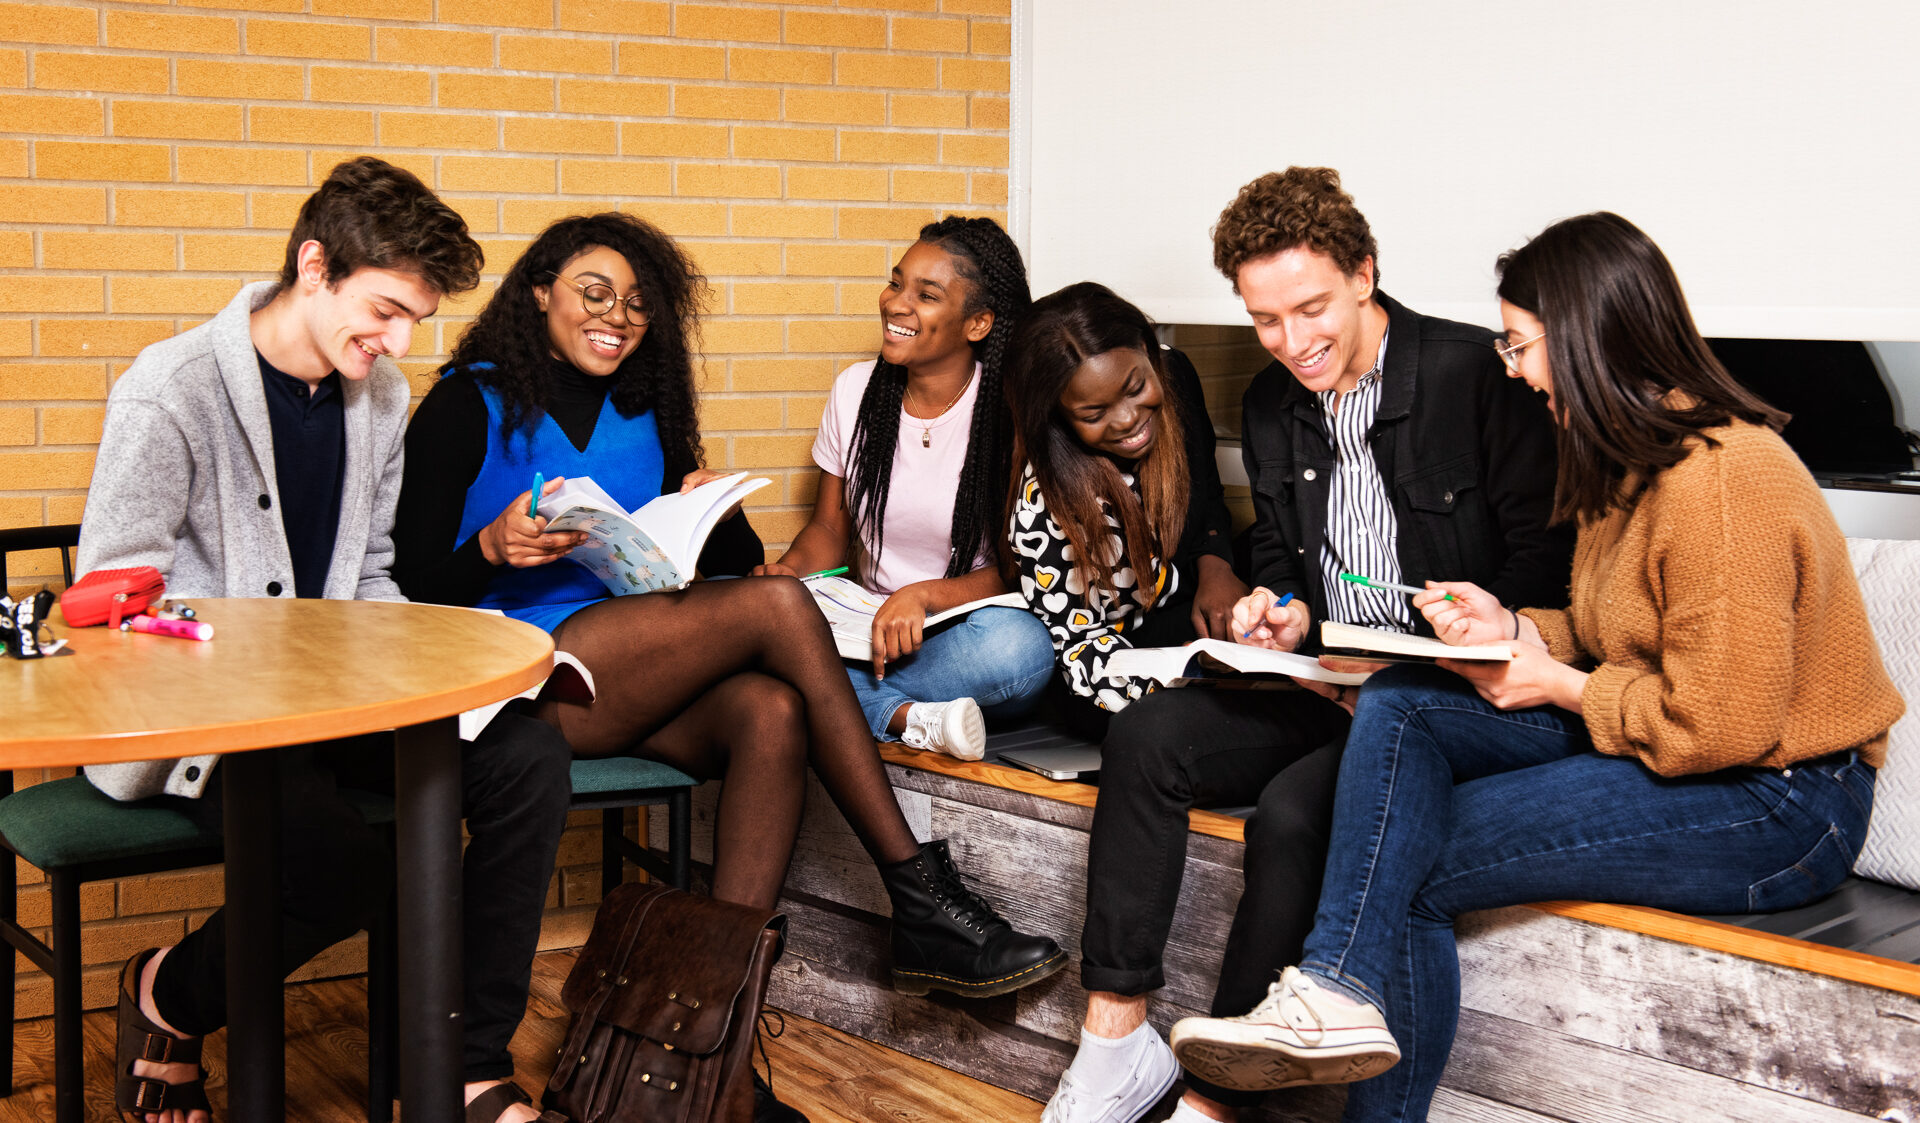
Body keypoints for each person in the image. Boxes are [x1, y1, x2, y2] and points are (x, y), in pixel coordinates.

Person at [1167, 212, 1901, 1123]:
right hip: (1691, 754)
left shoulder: (1723, 479)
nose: (1510, 368)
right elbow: (1617, 628)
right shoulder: (1630, 462)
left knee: (1411, 863)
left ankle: (1334, 995)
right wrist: (1514, 623)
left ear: (1590, 337)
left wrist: (1557, 684)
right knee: (1405, 700)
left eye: (1519, 345)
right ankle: (1336, 989)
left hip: (1780, 802)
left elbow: (1723, 722)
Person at [393, 213, 1066, 1118]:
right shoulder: (464, 401)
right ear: (541, 289)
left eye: (637, 303)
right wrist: (488, 546)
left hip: (626, 662)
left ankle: (715, 1070)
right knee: (783, 607)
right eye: (595, 293)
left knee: (772, 713)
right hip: (519, 679)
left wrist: (711, 506)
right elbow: (403, 579)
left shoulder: (649, 404)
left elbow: (709, 568)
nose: (618, 316)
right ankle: (917, 891)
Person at [1031, 169, 1573, 1123]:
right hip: (1329, 679)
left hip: (1439, 704)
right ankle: (1114, 1042)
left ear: (1366, 273)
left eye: (1311, 309)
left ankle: (1216, 1102)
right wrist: (1275, 609)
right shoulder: (1278, 405)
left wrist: (1452, 641)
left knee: (1291, 814)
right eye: (1266, 321)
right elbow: (1285, 559)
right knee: (1148, 737)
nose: (1292, 342)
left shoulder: (1472, 377)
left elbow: (1550, 568)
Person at [75, 158, 574, 1123]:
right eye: (384, 310)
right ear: (314, 266)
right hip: (202, 714)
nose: (395, 343)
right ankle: (166, 993)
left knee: (528, 755)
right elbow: (113, 598)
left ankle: (462, 1069)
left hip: (335, 699)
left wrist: (444, 664)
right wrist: (261, 652)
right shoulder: (170, 388)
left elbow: (371, 572)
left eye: (414, 323)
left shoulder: (378, 400)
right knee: (344, 866)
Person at [754, 217, 1055, 761]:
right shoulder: (855, 391)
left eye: (927, 295)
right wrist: (787, 574)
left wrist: (921, 596)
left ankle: (851, 701)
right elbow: (828, 529)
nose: (896, 304)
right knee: (734, 609)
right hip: (864, 629)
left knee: (1021, 652)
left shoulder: (1011, 412)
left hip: (960, 634)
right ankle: (906, 717)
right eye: (896, 284)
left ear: (979, 323)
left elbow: (1020, 567)